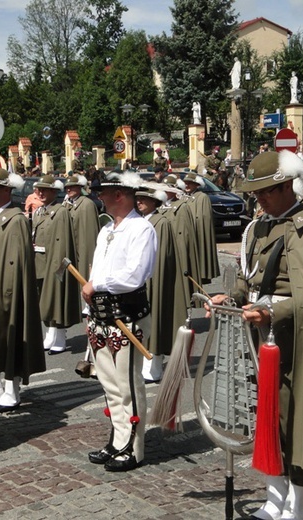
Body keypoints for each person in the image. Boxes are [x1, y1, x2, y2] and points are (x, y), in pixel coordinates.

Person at [206, 150, 303, 520]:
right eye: (255, 193)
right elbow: (251, 277)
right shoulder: (257, 227)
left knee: (295, 422)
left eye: (267, 192)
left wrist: (272, 310)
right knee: (266, 420)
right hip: (261, 342)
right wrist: (233, 296)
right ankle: (275, 497)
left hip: (298, 343)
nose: (260, 199)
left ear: (288, 185)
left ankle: (298, 505)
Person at [82, 171, 157, 472]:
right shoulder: (106, 230)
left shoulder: (143, 230)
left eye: (104, 192)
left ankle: (134, 447)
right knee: (109, 384)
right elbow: (95, 269)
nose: (99, 197)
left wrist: (97, 284)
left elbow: (135, 275)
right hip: (100, 316)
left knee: (128, 384)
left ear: (120, 195)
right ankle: (118, 439)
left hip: (126, 315)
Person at [0, 168, 45, 413]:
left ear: (7, 190)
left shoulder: (15, 220)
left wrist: (10, 295)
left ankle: (11, 390)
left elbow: (17, 264)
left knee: (9, 341)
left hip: (4, 291)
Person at [135, 185, 182, 383]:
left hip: (153, 278)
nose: (139, 202)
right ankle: (146, 365)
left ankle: (154, 368)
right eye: (137, 199)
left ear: (154, 202)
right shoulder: (142, 221)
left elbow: (160, 257)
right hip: (141, 278)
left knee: (155, 323)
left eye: (143, 199)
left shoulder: (160, 222)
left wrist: (151, 280)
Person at [32, 174, 81, 354]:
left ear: (54, 192)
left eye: (45, 190)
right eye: (38, 190)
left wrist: (58, 270)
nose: (41, 193)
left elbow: (62, 245)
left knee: (56, 300)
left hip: (53, 263)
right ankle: (50, 334)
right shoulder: (39, 211)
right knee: (44, 301)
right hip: (39, 263)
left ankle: (59, 335)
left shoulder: (60, 212)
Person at [182, 172, 220, 283]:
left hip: (197, 234)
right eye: (186, 183)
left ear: (196, 185)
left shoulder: (202, 197)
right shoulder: (183, 197)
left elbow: (204, 220)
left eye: (190, 183)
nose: (187, 185)